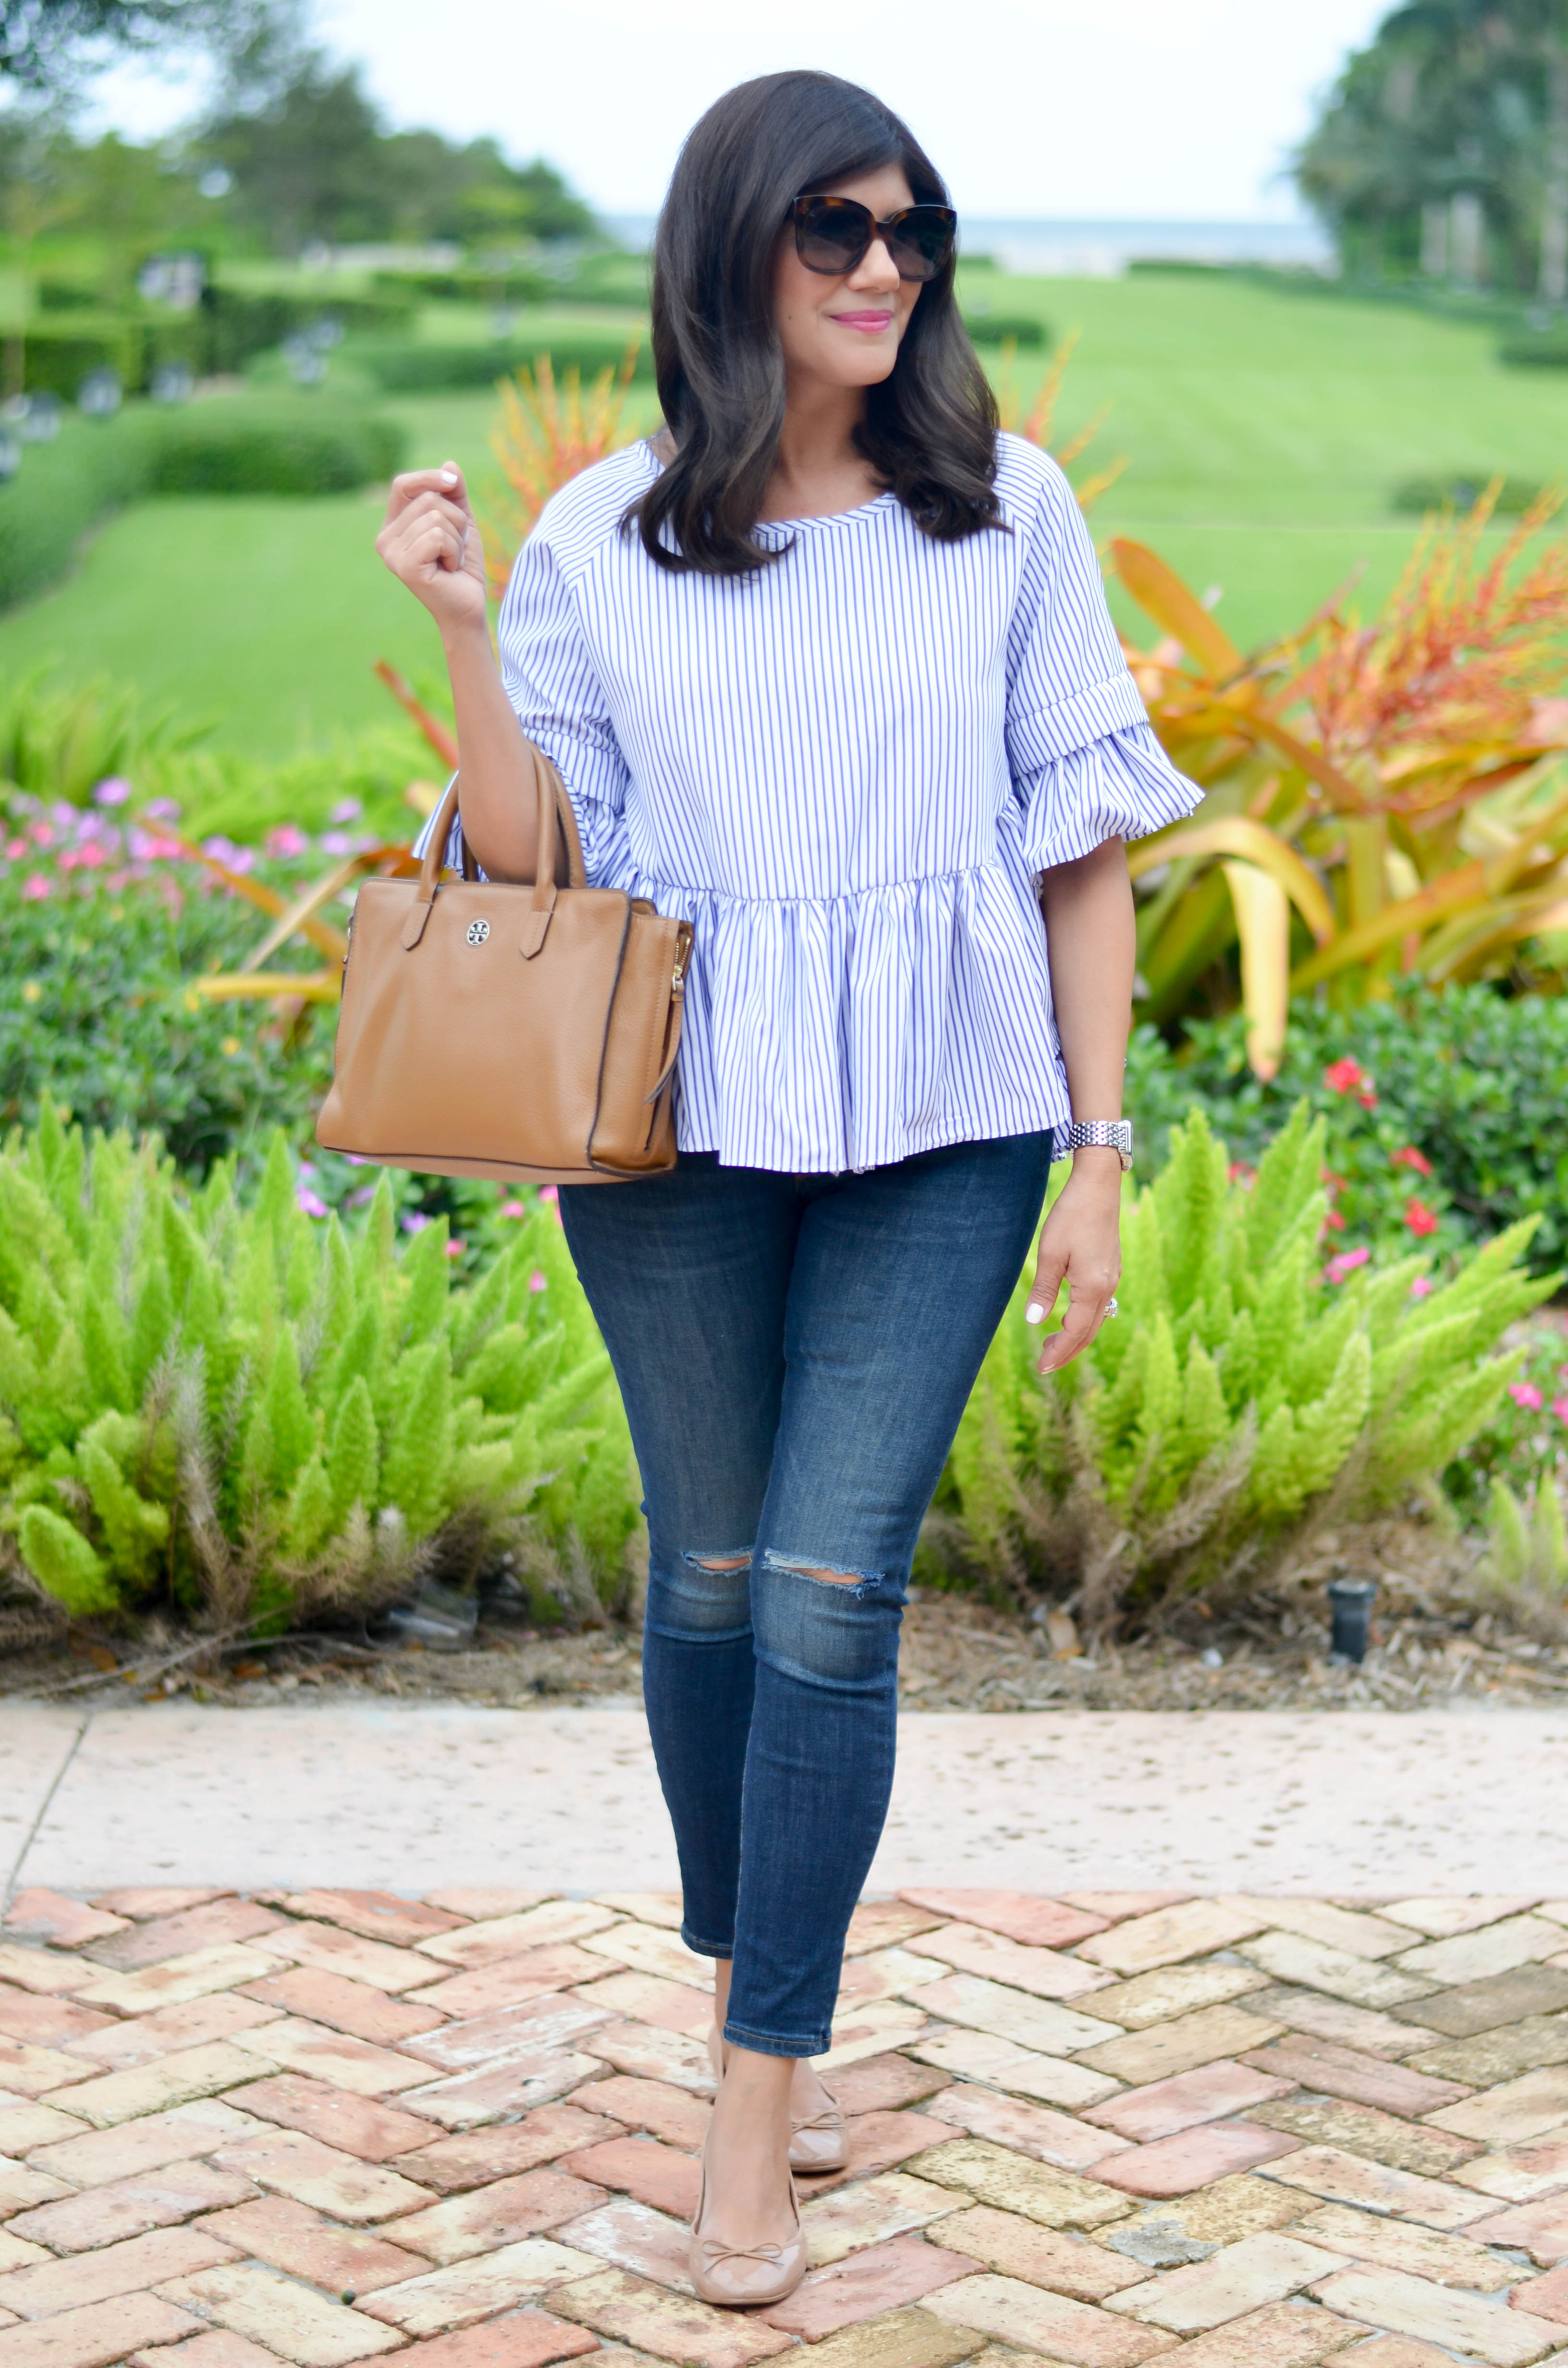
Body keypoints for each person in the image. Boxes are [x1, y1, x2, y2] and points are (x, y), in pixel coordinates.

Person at [375, 68, 1198, 2309]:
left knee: (834, 1591)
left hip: (951, 1117)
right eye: (833, 229)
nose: (880, 269)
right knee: (715, 1576)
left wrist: (1101, 1157)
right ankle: (763, 1950)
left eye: (912, 231)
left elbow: (1086, 848)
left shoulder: (1003, 513)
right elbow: (541, 870)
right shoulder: (597, 536)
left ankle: (756, 2090)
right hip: (676, 1130)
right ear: (731, 249)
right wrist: (463, 628)